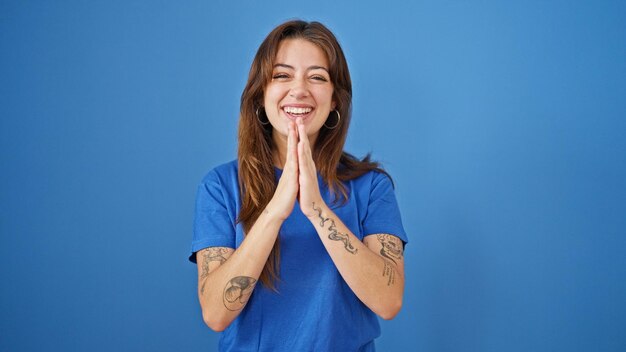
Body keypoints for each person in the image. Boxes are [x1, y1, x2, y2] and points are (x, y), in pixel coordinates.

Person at [189, 20, 407, 351]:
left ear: (335, 99)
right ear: (261, 94)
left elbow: (388, 301)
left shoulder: (372, 187)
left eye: (317, 77)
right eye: (282, 75)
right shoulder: (220, 187)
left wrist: (316, 208)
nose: (299, 89)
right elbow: (216, 314)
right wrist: (277, 209)